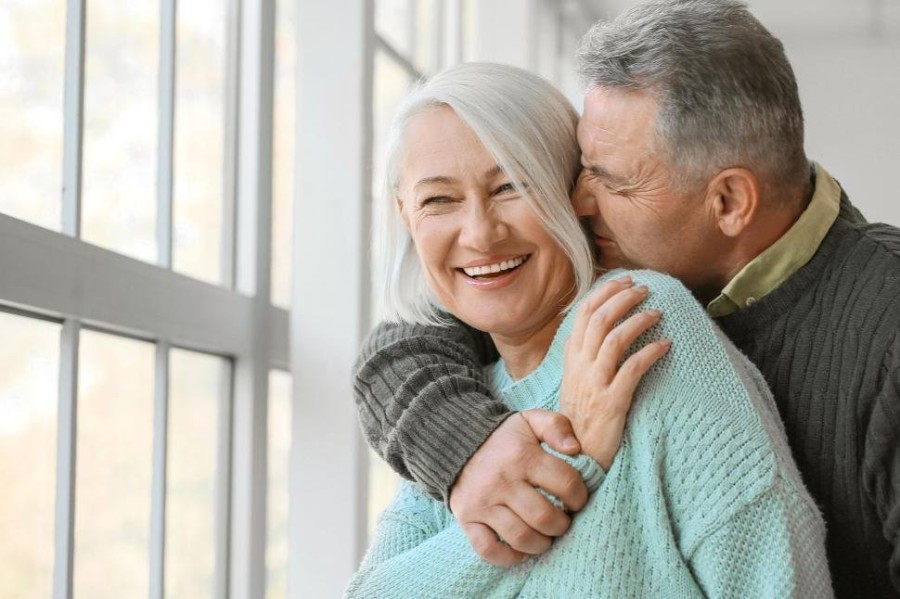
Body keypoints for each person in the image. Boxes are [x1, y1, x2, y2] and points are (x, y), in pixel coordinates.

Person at [353, 0, 900, 596]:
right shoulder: (470, 397)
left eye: (609, 178)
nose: (584, 202)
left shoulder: (645, 318)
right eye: (582, 170)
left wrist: (563, 469)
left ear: (727, 203)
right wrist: (543, 456)